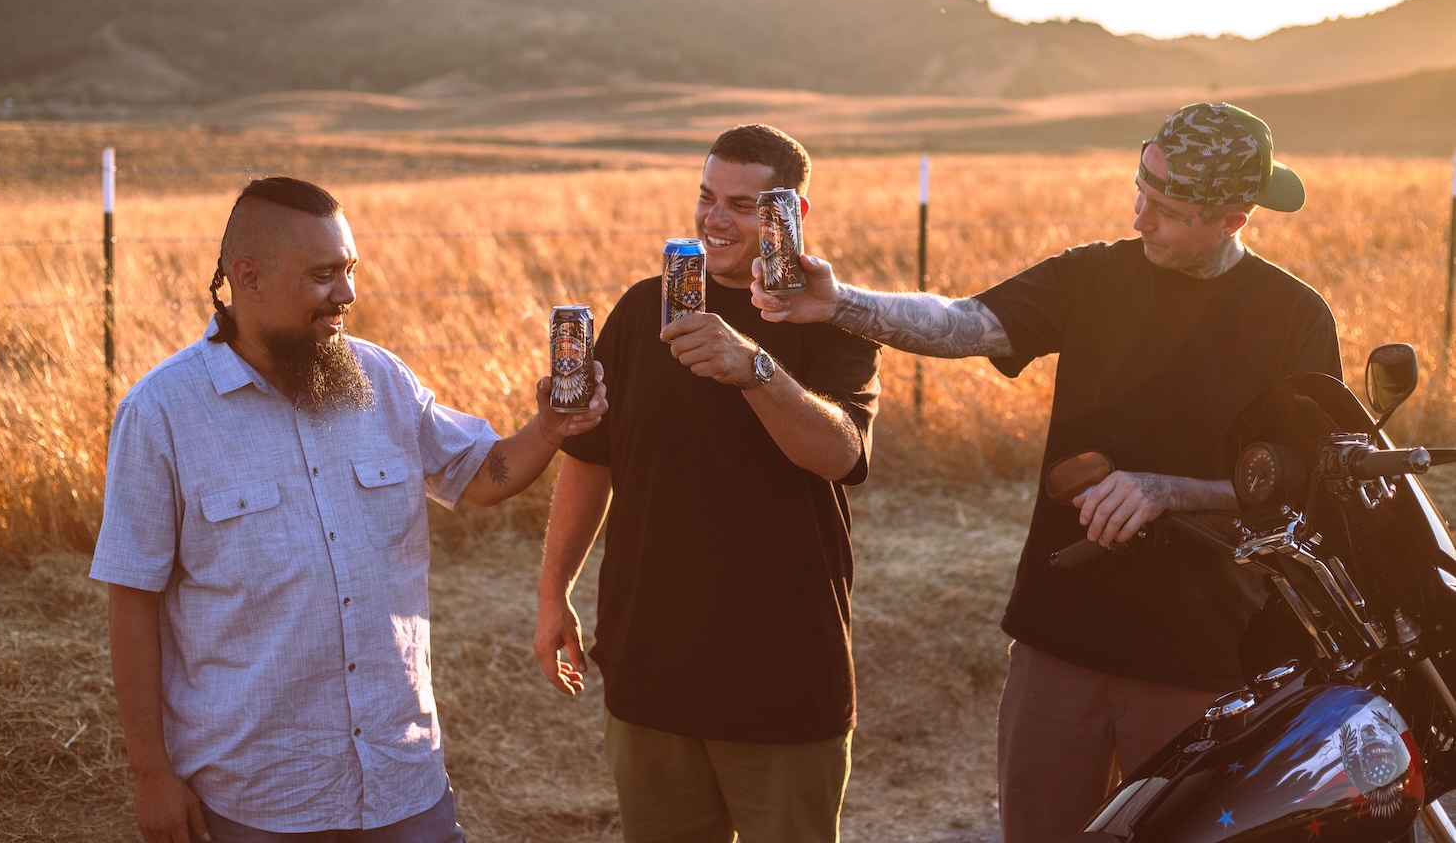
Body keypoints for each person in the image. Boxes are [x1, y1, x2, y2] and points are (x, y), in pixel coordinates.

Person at [750, 103, 1342, 843]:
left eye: (1165, 211)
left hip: (1203, 655)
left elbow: (1308, 486)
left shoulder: (1294, 318)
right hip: (1059, 638)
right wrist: (839, 303)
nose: (1138, 218)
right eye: (1139, 192)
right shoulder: (1094, 275)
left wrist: (1168, 492)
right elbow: (966, 324)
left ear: (1233, 219)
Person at [90, 176, 607, 843]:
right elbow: (133, 602)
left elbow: (480, 475)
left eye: (350, 269)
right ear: (248, 278)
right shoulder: (161, 413)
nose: (348, 293)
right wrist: (150, 772)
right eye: (323, 275)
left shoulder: (381, 379)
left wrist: (551, 428)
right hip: (256, 794)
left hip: (402, 776)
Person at [532, 124, 881, 843]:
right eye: (706, 196)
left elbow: (841, 456)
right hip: (648, 667)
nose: (714, 219)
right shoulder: (642, 311)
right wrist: (552, 592)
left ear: (791, 213)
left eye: (742, 205)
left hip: (783, 676)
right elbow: (591, 460)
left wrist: (753, 368)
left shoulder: (832, 321)